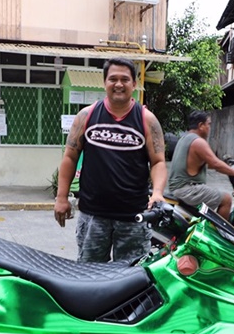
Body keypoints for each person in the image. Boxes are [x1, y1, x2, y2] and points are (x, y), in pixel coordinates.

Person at [54, 57, 167, 263]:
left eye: (125, 79)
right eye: (112, 79)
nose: (118, 84)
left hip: (134, 217)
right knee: (90, 276)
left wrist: (157, 192)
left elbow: (158, 162)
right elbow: (70, 157)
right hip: (93, 216)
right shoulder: (86, 116)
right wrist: (62, 197)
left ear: (134, 84)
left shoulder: (147, 120)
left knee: (132, 280)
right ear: (104, 82)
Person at [167, 110, 234, 221]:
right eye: (208, 124)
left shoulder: (185, 138)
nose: (210, 128)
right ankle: (220, 236)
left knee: (215, 194)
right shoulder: (199, 142)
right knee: (226, 199)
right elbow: (215, 163)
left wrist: (228, 167)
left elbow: (209, 163)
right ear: (201, 126)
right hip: (187, 189)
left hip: (178, 188)